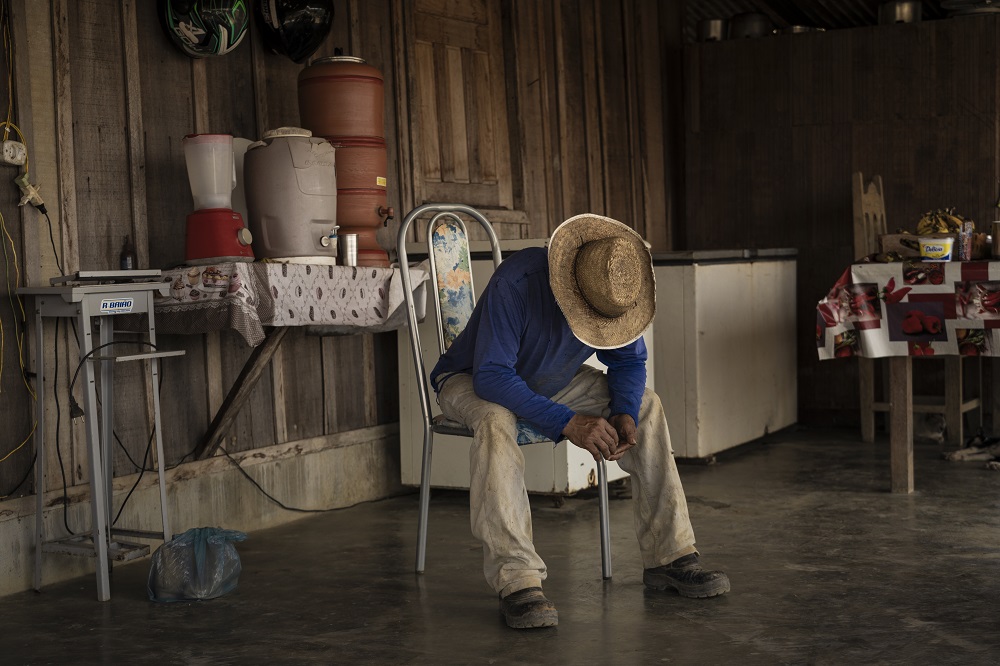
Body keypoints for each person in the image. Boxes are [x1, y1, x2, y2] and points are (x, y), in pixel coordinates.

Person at [430, 214, 730, 629]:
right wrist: (567, 422)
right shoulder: (516, 281)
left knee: (646, 404)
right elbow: (492, 376)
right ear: (570, 285)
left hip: (550, 380)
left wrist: (623, 409)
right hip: (470, 378)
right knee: (496, 421)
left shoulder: (613, 292)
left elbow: (629, 361)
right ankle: (517, 580)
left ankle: (671, 556)